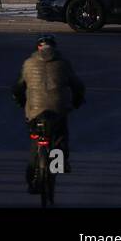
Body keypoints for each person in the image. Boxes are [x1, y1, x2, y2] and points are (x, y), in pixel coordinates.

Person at [12, 34, 86, 172]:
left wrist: (20, 102)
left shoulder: (29, 63)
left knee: (35, 135)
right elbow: (77, 86)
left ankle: (34, 166)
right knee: (61, 134)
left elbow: (18, 88)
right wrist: (77, 101)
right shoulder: (63, 63)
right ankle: (59, 164)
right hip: (58, 109)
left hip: (35, 110)